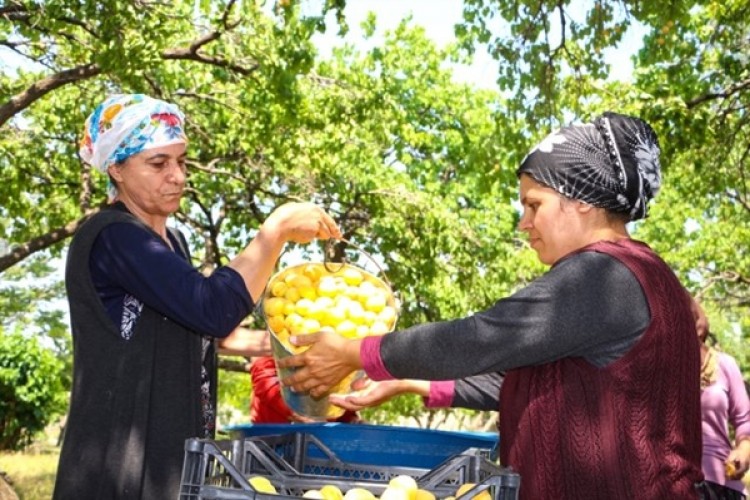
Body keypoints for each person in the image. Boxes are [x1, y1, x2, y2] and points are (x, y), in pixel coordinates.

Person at [279, 112, 705, 499]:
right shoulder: (630, 273)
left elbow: (481, 338)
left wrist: (357, 352)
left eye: (533, 204)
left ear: (582, 200)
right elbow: (527, 381)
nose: (524, 223)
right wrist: (407, 382)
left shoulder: (604, 275)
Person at [53, 93, 341, 500]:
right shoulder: (112, 236)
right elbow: (212, 309)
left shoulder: (173, 241)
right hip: (122, 468)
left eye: (181, 160)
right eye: (158, 163)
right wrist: (273, 232)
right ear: (116, 168)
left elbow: (209, 332)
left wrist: (308, 349)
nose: (178, 176)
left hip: (174, 460)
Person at [693, 300, 750, 499]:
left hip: (721, 484)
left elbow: (745, 422)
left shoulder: (725, 364)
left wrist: (744, 451)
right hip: (674, 482)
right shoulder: (659, 371)